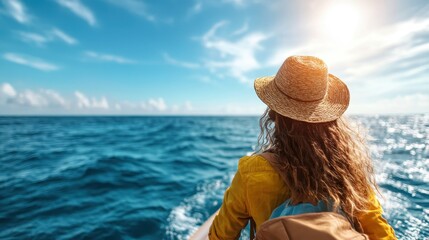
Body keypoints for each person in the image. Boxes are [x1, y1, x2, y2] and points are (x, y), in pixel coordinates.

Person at [208, 56, 396, 239]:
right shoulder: (348, 171)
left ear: (273, 114)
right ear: (328, 119)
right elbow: (381, 234)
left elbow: (220, 236)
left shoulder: (251, 171)